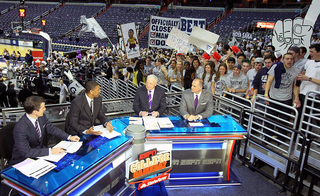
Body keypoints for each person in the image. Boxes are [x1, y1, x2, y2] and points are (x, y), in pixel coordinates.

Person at [9, 96, 80, 165]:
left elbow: (52, 129)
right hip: (24, 160)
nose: (45, 109)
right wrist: (50, 151)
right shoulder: (20, 128)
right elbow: (26, 152)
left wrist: (69, 137)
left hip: (40, 154)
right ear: (35, 112)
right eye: (43, 108)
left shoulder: (41, 117)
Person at [264, 53, 300, 142]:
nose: (289, 61)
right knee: (270, 120)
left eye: (291, 59)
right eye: (287, 59)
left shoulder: (296, 70)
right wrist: (266, 95)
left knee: (284, 121)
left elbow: (296, 86)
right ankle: (267, 137)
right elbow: (269, 81)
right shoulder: (275, 67)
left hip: (286, 99)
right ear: (283, 60)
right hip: (274, 97)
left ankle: (280, 139)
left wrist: (296, 98)